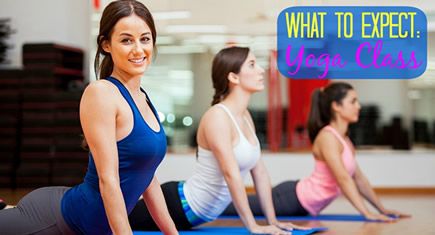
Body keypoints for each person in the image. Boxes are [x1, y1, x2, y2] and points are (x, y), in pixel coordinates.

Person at [0, 1, 178, 234]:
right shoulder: (101, 92)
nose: (138, 49)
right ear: (106, 45)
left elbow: (148, 178)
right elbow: (109, 180)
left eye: (144, 39)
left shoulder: (142, 98)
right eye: (126, 40)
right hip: (57, 220)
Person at [129, 46, 309, 235]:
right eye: (252, 64)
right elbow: (231, 174)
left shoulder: (245, 116)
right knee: (110, 222)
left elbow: (260, 173)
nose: (261, 70)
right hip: (179, 205)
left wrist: (273, 221)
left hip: (194, 213)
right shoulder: (218, 117)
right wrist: (253, 226)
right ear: (233, 77)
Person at [223, 82, 410, 222]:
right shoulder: (328, 137)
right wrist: (367, 214)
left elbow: (358, 179)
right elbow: (343, 178)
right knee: (227, 208)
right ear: (336, 106)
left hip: (301, 204)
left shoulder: (344, 139)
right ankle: (197, 202)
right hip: (291, 200)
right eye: (353, 101)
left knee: (231, 206)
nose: (358, 106)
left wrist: (381, 209)